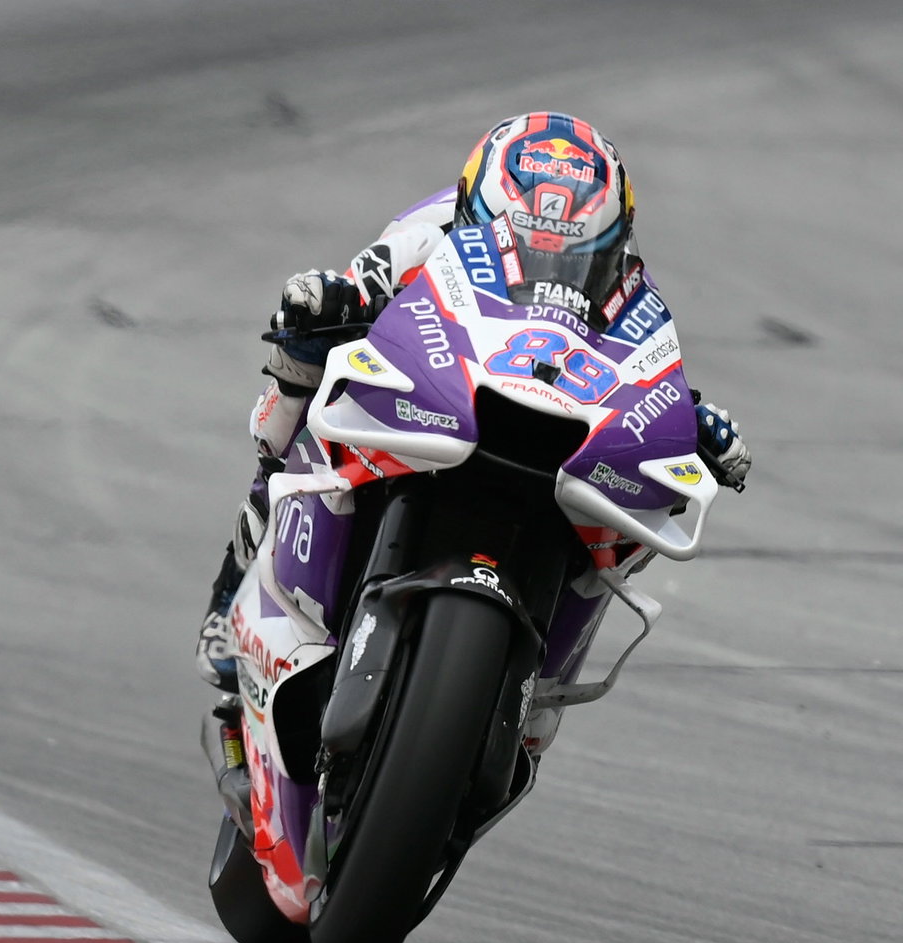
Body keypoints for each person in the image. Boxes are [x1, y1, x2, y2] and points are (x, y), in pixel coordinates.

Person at [195, 111, 752, 694]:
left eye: (574, 252)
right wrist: (325, 304)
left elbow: (647, 367)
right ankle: (235, 584)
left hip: (544, 416)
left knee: (630, 517)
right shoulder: (422, 236)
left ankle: (539, 690)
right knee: (306, 365)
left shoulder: (626, 286)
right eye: (533, 240)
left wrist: (688, 422)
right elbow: (344, 294)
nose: (552, 258)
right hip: (438, 385)